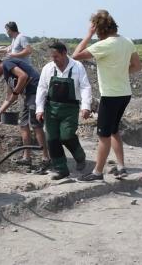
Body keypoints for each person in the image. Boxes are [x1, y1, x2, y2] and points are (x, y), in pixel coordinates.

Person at [72, 9, 142, 182]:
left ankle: (97, 172)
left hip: (110, 96)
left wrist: (87, 35)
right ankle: (121, 167)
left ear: (99, 30)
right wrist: (122, 73)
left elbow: (75, 56)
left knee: (103, 135)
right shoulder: (127, 41)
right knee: (114, 131)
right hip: (125, 93)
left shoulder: (104, 45)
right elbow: (137, 66)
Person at [35, 42, 92, 180]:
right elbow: (42, 89)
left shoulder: (77, 67)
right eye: (52, 57)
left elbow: (85, 87)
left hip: (70, 109)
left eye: (56, 56)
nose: (54, 59)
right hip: (51, 108)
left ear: (64, 53)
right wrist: (39, 109)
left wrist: (86, 106)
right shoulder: (48, 69)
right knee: (52, 139)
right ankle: (61, 169)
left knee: (66, 136)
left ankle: (80, 156)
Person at [0, 57, 50, 168]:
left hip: (36, 92)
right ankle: (27, 157)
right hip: (27, 96)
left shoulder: (7, 63)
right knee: (23, 125)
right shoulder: (8, 76)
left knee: (36, 125)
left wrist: (16, 92)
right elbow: (10, 98)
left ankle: (46, 158)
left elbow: (23, 76)